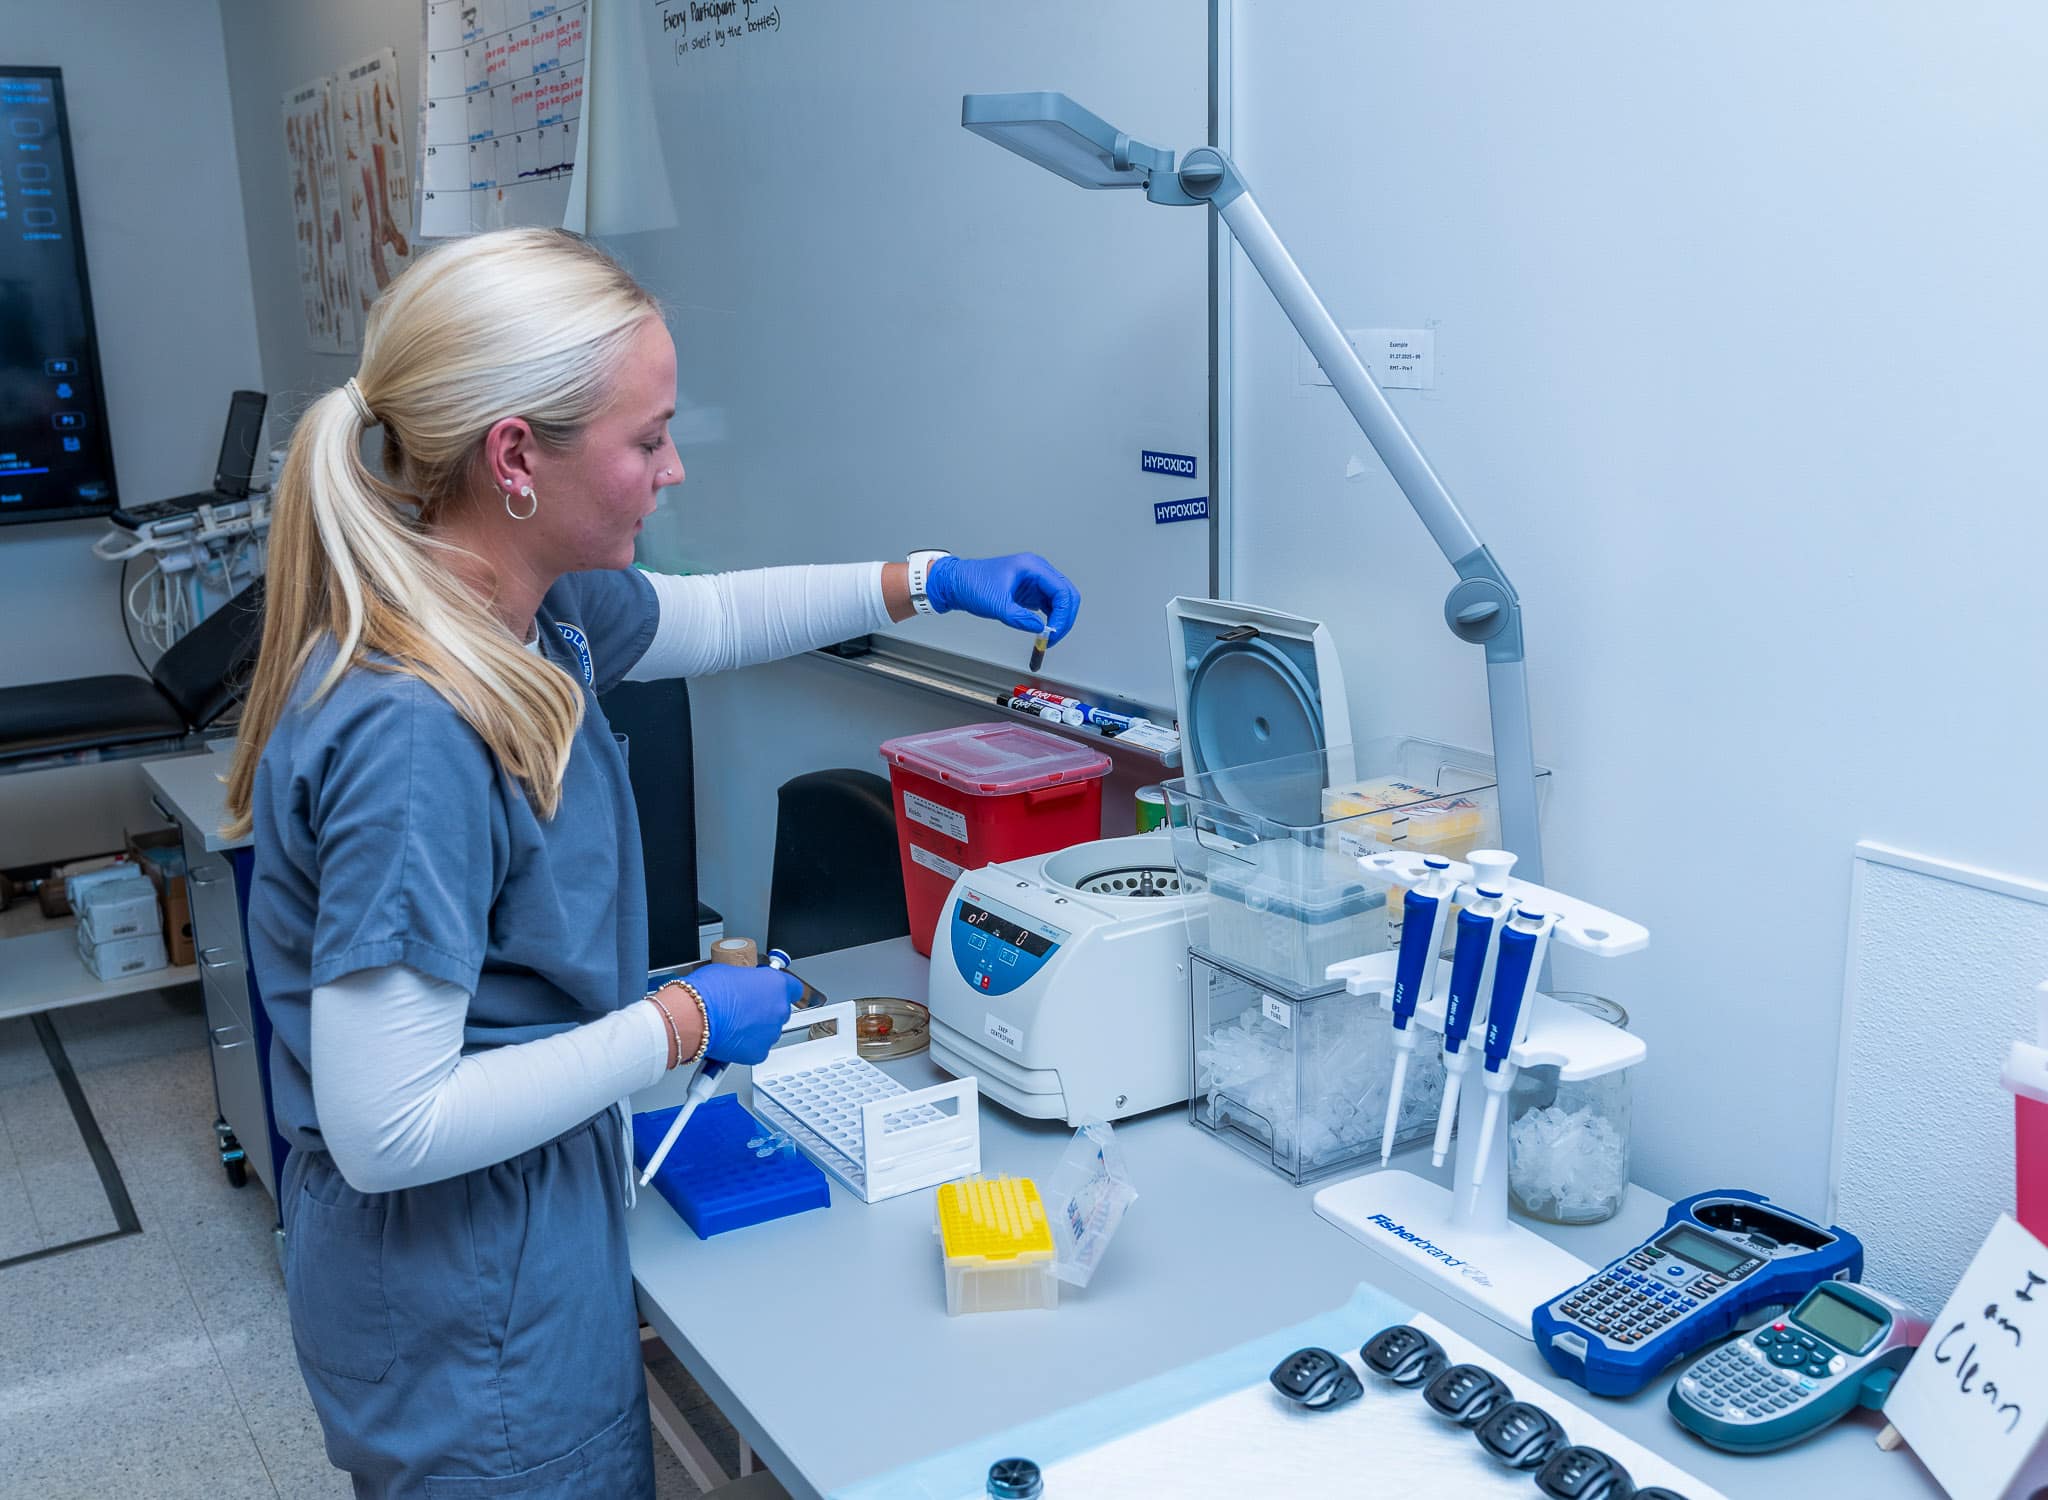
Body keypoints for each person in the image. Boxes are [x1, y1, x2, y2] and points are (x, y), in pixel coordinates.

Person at [221, 227, 1079, 1499]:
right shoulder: (414, 727)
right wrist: (677, 1022)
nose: (671, 469)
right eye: (646, 439)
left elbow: (717, 615)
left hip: (514, 1237)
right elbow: (390, 1125)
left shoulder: (521, 601)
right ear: (515, 456)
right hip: (465, 1303)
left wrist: (926, 579)